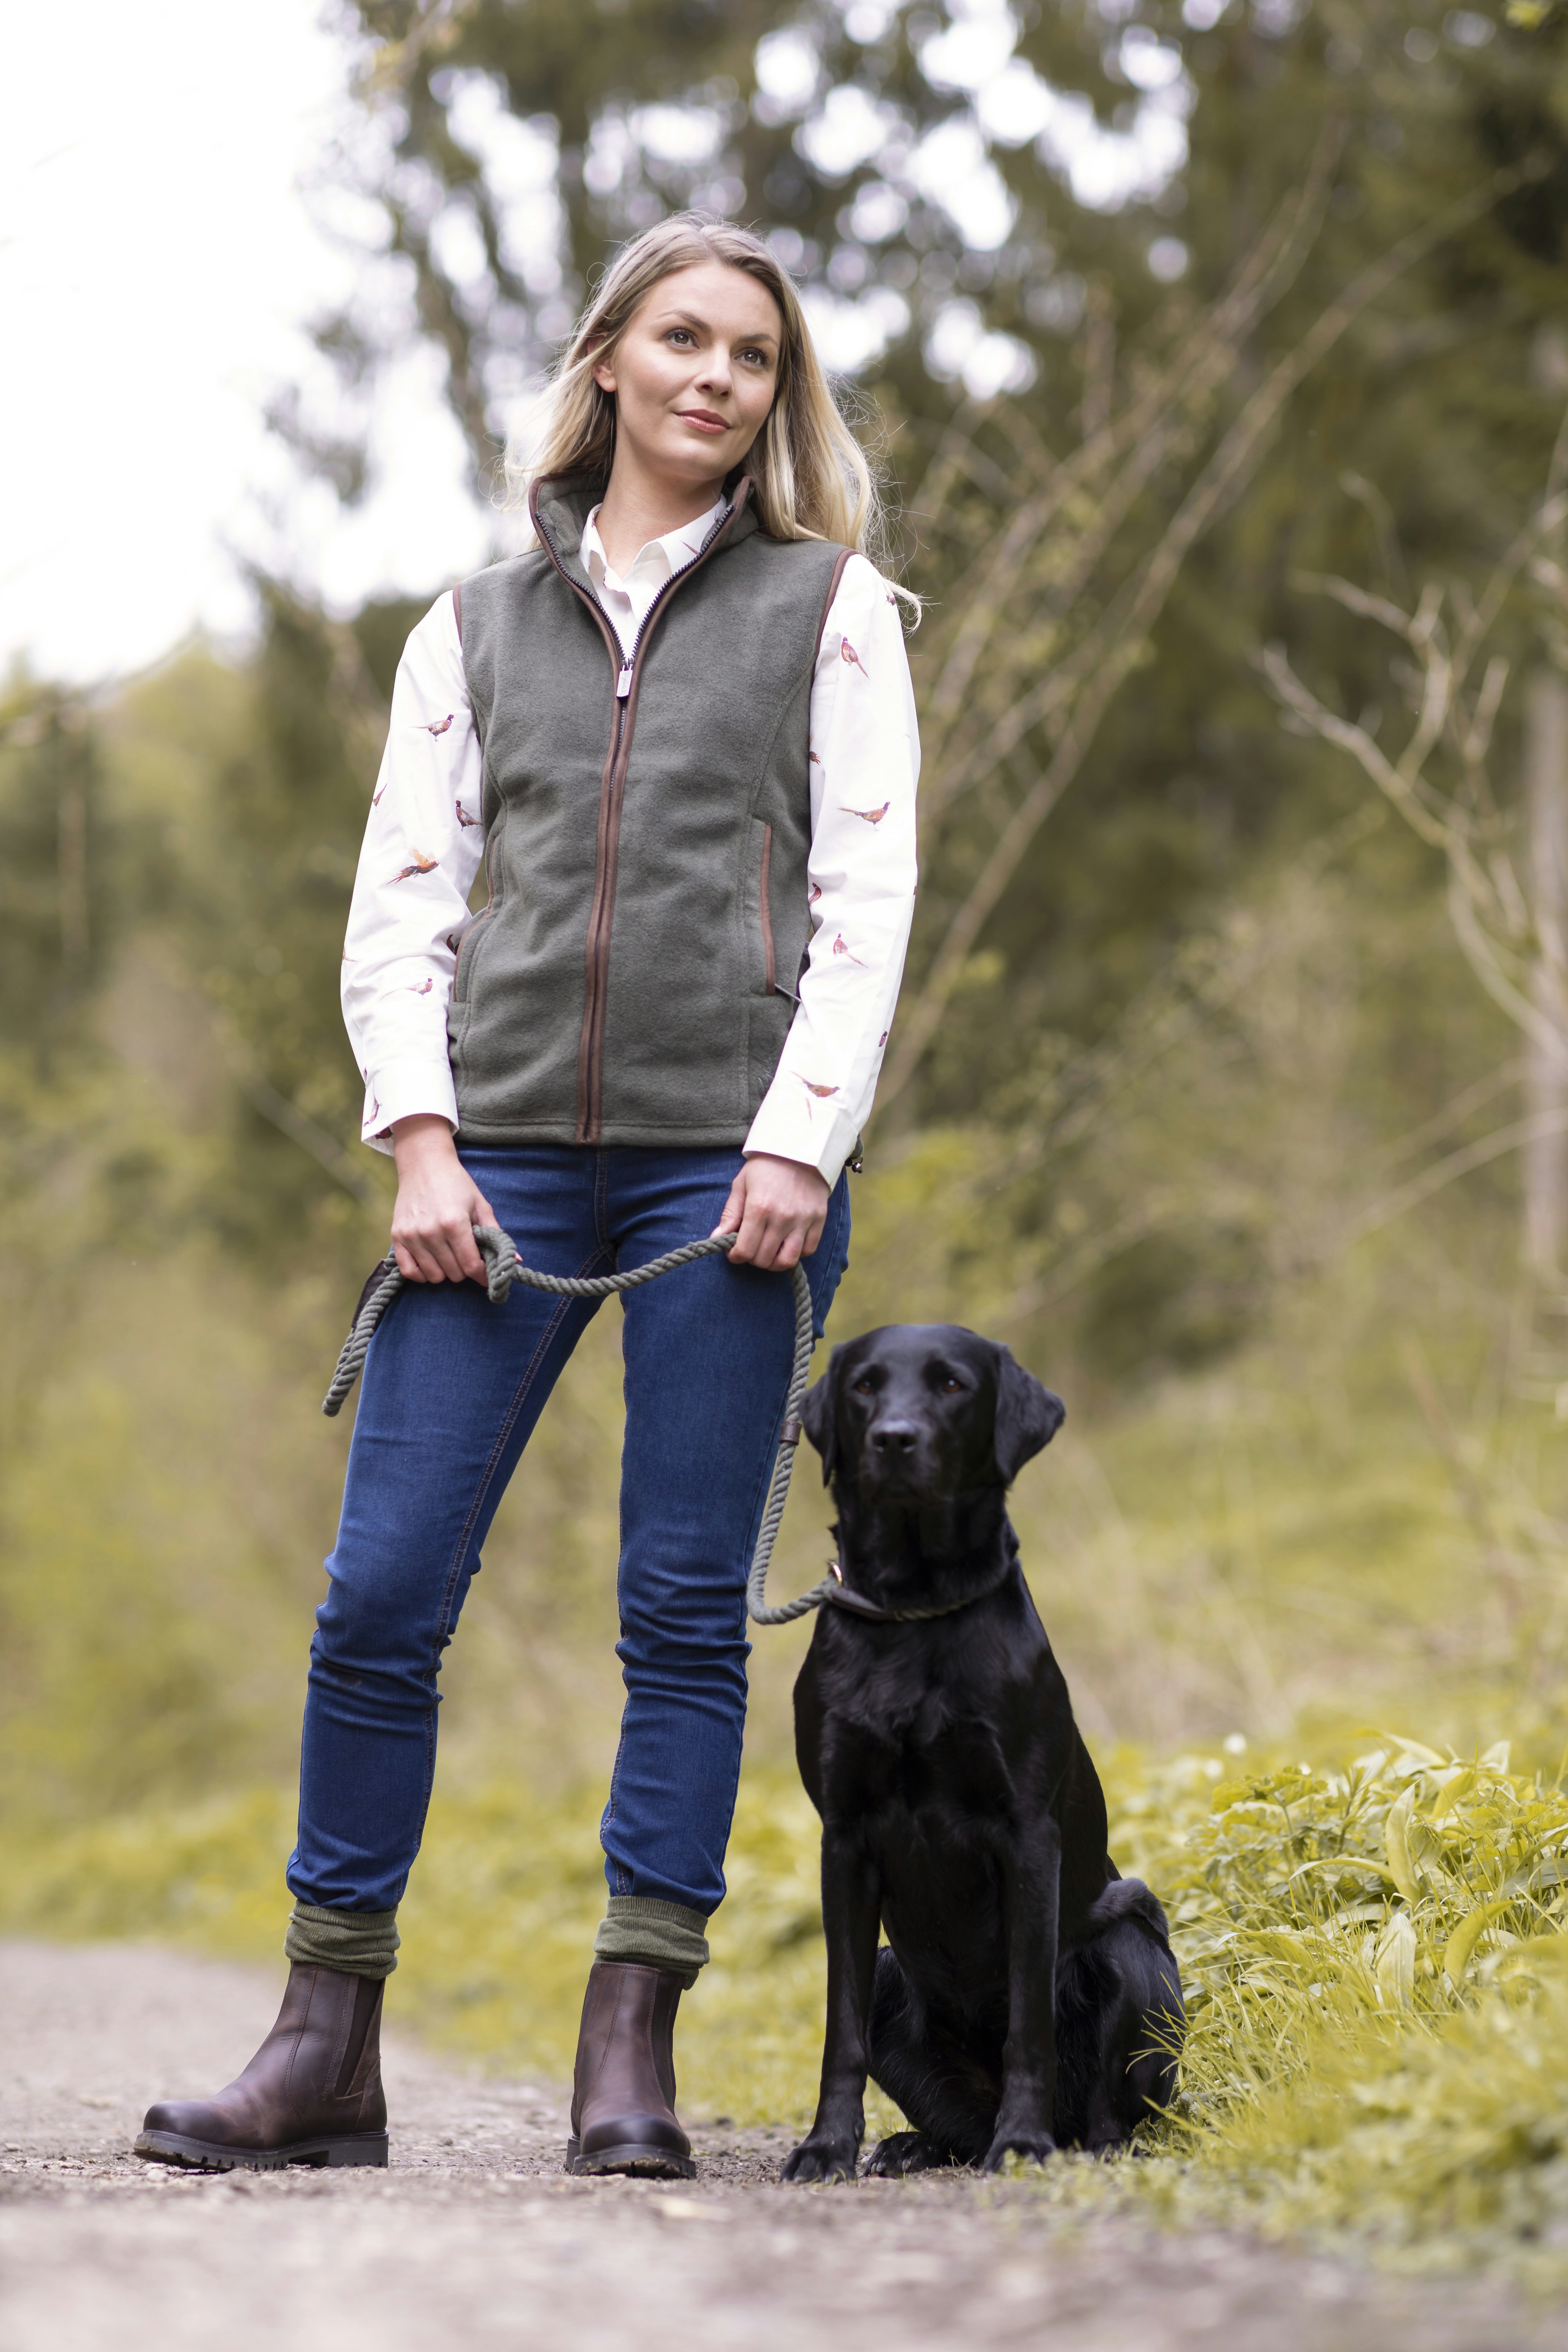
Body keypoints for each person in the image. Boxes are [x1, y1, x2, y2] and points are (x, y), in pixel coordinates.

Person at [136, 214, 919, 2179]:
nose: (715, 377)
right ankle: (325, 2035)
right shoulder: (467, 629)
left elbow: (863, 906)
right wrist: (417, 1135)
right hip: (484, 1175)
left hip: (721, 1175)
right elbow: (403, 901)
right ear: (604, 363)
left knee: (679, 1612)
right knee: (378, 1600)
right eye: (681, 338)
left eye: (750, 352)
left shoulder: (834, 610)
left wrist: (791, 1141)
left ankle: (628, 2035)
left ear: (772, 394)